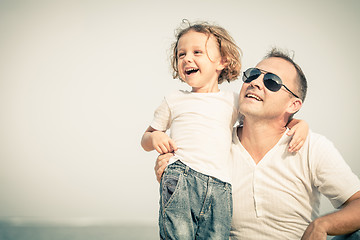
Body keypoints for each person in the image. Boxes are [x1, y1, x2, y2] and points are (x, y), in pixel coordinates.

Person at [154, 48, 360, 239]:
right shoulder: (216, 146)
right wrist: (174, 168)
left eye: (272, 81)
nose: (256, 82)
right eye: (252, 74)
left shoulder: (311, 146)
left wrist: (322, 225)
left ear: (293, 104)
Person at [141, 21, 308, 240]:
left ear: (222, 61)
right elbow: (146, 138)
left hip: (221, 188)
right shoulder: (174, 99)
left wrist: (300, 124)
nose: (187, 58)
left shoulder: (232, 102)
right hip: (182, 176)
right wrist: (156, 137)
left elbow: (266, 119)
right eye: (181, 54)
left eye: (197, 52)